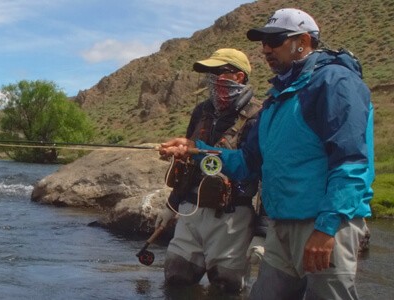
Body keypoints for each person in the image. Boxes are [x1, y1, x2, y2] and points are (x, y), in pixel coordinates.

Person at [159, 8, 374, 300]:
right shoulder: (276, 98)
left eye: (275, 40)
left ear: (304, 41)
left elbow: (351, 162)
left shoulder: (335, 83)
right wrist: (195, 151)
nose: (266, 49)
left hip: (323, 226)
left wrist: (326, 228)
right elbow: (247, 163)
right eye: (263, 42)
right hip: (281, 225)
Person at [155, 48, 264, 294]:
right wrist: (171, 206)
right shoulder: (201, 111)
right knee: (176, 279)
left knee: (226, 288)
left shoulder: (260, 116)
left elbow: (263, 173)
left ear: (238, 77)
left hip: (232, 217)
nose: (212, 79)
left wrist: (262, 232)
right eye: (209, 73)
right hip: (190, 212)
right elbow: (188, 165)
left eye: (218, 72)